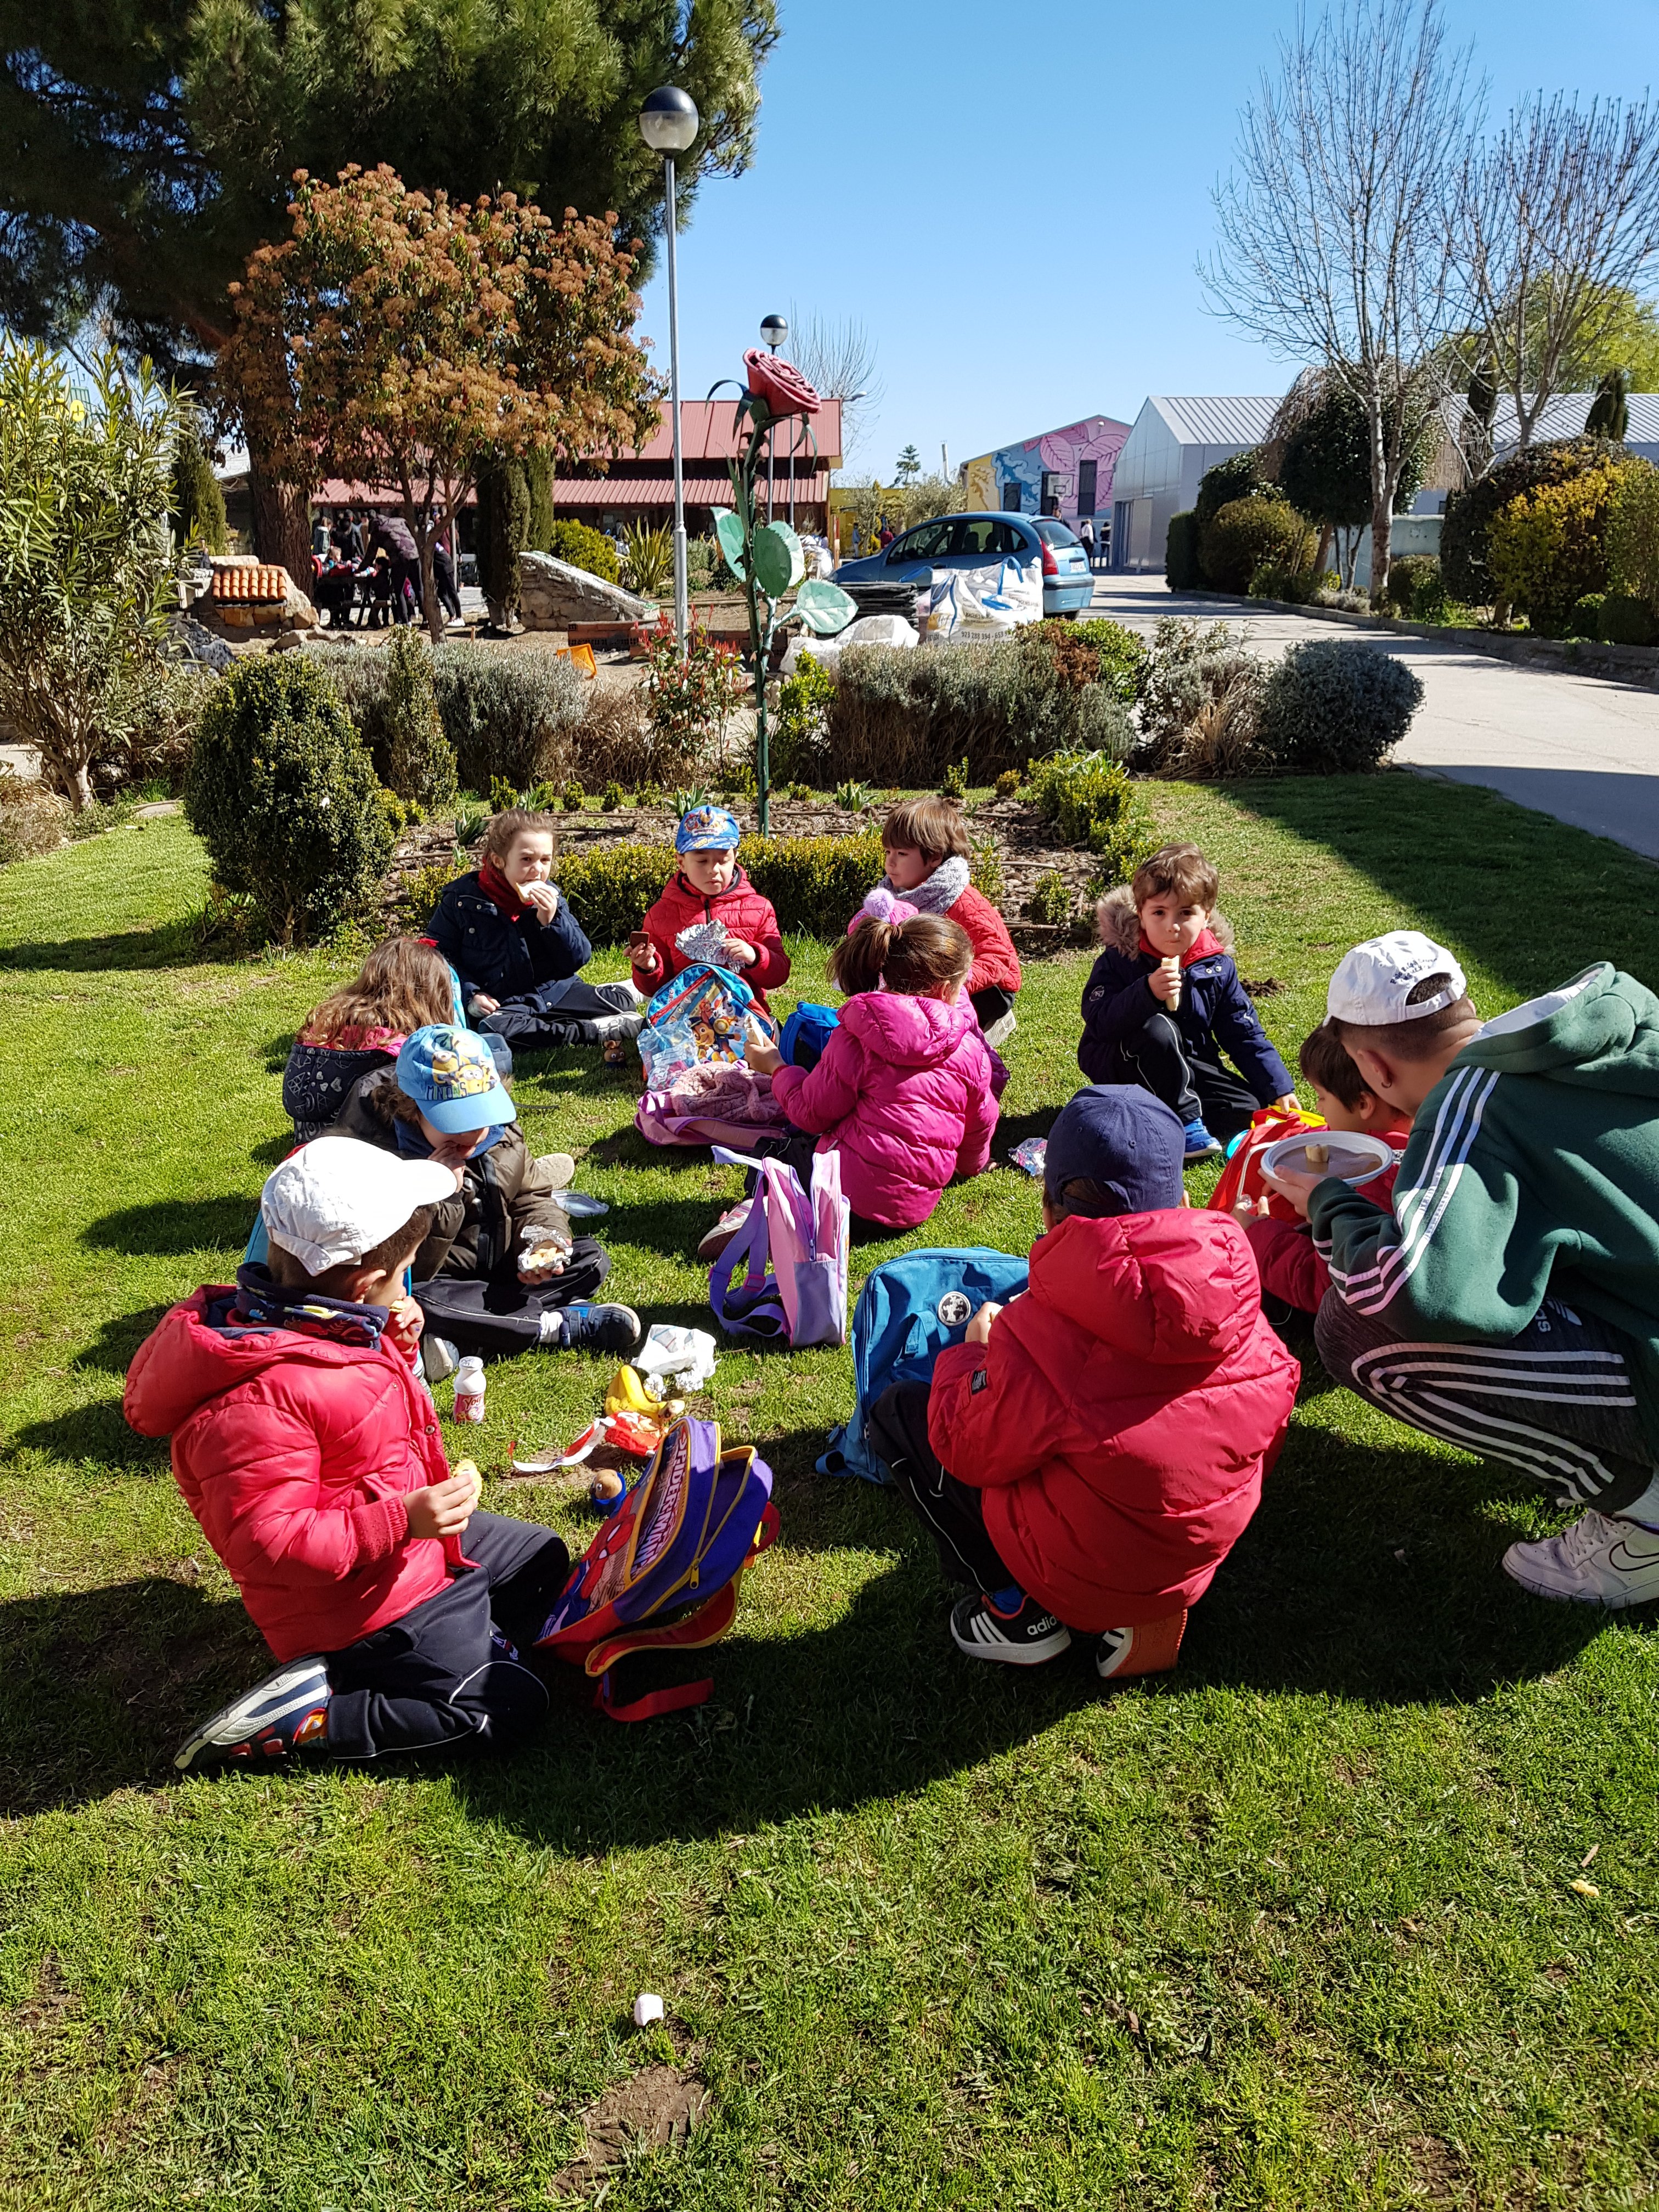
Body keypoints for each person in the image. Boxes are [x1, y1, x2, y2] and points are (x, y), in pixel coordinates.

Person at [123, 1138, 577, 1770]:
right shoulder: (255, 1402)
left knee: (542, 1559)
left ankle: (461, 1642)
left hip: (410, 1551)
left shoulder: (322, 1320)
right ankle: (314, 1715)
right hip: (357, 1605)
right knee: (505, 1706)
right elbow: (269, 1544)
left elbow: (360, 1416)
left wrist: (395, 1339)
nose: (404, 1287)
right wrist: (402, 1520)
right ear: (364, 1285)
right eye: (404, 1272)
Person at [1269, 932, 1659, 1610]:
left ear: (1374, 1068)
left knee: (1355, 1329)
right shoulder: (1617, 1023)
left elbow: (1416, 1294)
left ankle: (1645, 1513)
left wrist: (1329, 1203)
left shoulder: (1470, 1103)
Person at [867, 1085, 1300, 1679]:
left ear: (1049, 1212)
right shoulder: (1242, 1303)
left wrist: (973, 1352)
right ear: (1181, 1200)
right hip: (1195, 1551)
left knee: (901, 1414)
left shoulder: (1038, 1337)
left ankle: (1017, 1611)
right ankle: (1151, 1604)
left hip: (1085, 1572)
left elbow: (964, 1446)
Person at [333, 1024, 640, 1357]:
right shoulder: (390, 1159)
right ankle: (549, 1325)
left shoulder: (501, 1137)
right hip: (441, 1279)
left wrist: (542, 1239)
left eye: (480, 1118)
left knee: (591, 1259)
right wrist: (444, 1194)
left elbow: (532, 1198)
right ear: (411, 1110)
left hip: (501, 1267)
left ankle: (472, 1331)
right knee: (420, 1299)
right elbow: (411, 1268)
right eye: (453, 1122)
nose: (472, 1135)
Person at [741, 910, 997, 1233]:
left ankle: (759, 1206)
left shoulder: (860, 1032)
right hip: (911, 1211)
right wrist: (972, 1166)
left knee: (772, 1151)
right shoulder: (971, 1049)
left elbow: (810, 1113)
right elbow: (981, 1123)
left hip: (841, 1198)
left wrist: (776, 1067)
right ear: (947, 990)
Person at [1079, 843, 1296, 1161]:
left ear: (1206, 915)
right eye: (1159, 913)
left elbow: (1243, 1033)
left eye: (1186, 913)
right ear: (1141, 915)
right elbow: (1099, 1021)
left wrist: (1278, 1088)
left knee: (1248, 1106)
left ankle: (1167, 1111)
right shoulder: (1120, 959)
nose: (1173, 926)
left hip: (1189, 1062)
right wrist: (1146, 993)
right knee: (1158, 1028)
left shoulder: (1217, 966)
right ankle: (1184, 1122)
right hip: (1123, 1061)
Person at [427, 809, 644, 1054]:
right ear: (499, 860)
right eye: (527, 859)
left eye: (545, 860)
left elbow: (578, 958)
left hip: (554, 991)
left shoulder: (551, 896)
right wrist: (471, 995)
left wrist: (551, 921)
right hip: (505, 1003)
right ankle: (596, 1031)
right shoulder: (462, 901)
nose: (537, 870)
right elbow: (439, 957)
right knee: (495, 1030)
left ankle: (622, 992)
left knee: (619, 1003)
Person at [1241, 1018, 1413, 1322]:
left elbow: (1320, 1284)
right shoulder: (1421, 1145)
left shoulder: (1372, 1182)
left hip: (1347, 1311)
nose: (1319, 1108)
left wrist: (1257, 1233)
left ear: (1363, 1104)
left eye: (1322, 1097)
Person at [863, 796, 1021, 1046]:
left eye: (902, 853)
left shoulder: (961, 900)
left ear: (935, 857)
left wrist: (954, 982)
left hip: (988, 989)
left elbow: (998, 957)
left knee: (945, 1031)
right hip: (935, 979)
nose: (890, 862)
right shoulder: (896, 896)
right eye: (888, 852)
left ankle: (985, 1032)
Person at [283, 936, 467, 1146]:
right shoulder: (408, 1052)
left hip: (310, 1142)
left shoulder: (324, 1028)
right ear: (432, 994)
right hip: (370, 1149)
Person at [629, 805, 790, 1012]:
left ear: (735, 857)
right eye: (702, 861)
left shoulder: (758, 910)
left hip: (745, 1016)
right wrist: (647, 968)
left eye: (723, 860)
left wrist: (755, 957)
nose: (713, 870)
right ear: (682, 863)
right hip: (683, 1019)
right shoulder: (661, 916)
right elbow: (654, 989)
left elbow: (779, 975)